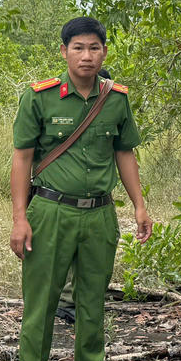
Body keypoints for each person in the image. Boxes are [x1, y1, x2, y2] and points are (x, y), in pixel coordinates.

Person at [6, 18, 153, 361]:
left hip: (100, 214)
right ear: (64, 52)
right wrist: (19, 219)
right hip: (51, 212)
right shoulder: (39, 98)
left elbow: (125, 154)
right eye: (78, 48)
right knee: (41, 305)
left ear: (104, 52)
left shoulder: (117, 100)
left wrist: (140, 205)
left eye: (94, 48)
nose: (86, 56)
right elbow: (21, 158)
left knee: (93, 302)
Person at [55, 67, 112, 326]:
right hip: (62, 197)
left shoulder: (110, 109)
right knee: (68, 253)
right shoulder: (60, 104)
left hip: (94, 199)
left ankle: (74, 302)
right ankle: (67, 303)